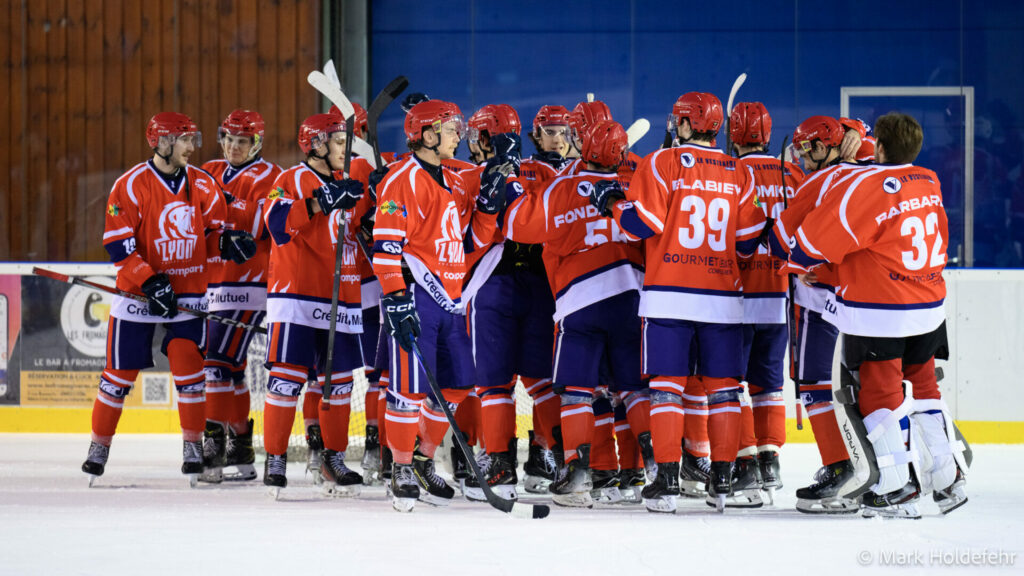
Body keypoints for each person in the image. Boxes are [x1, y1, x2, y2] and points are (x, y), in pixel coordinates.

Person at [780, 112, 969, 518]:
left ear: (879, 147)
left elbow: (815, 242)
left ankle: (898, 487)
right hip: (930, 304)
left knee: (879, 394)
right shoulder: (928, 179)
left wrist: (801, 264)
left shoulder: (869, 187)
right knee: (923, 388)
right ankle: (948, 477)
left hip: (883, 309)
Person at [589, 92, 765, 513]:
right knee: (723, 390)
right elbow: (746, 244)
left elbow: (637, 226)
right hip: (722, 298)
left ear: (684, 125)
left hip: (668, 296)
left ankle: (666, 481)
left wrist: (611, 202)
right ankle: (721, 481)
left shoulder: (662, 164)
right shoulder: (739, 172)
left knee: (667, 389)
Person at [82, 112, 247, 486]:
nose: (192, 147)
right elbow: (118, 246)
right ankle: (99, 446)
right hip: (138, 293)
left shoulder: (202, 183)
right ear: (161, 142)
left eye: (192, 139)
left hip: (188, 292)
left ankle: (192, 445)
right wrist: (151, 281)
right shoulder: (131, 185)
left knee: (190, 371)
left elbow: (208, 234)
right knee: (117, 377)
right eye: (184, 140)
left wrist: (224, 243)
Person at [505, 120, 650, 508]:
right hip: (631, 298)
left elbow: (518, 227)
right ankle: (652, 467)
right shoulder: (635, 184)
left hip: (578, 301)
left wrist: (510, 185)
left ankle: (579, 472)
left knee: (577, 391)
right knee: (634, 389)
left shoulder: (560, 186)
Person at [371, 99, 504, 512]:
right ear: (427, 135)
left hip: (451, 301)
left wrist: (489, 205)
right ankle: (402, 468)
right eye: (449, 129)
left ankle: (426, 459)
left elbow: (472, 243)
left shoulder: (455, 179)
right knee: (409, 390)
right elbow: (385, 250)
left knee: (460, 382)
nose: (457, 136)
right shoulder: (400, 180)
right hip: (415, 296)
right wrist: (394, 299)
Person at [765, 115, 873, 513]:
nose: (804, 156)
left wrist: (777, 239)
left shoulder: (817, 182)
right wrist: (856, 132)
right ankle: (886, 467)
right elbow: (885, 141)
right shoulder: (869, 170)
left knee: (812, 382)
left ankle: (840, 465)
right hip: (860, 298)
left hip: (816, 300)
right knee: (870, 384)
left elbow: (780, 245)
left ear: (826, 147)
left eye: (809, 148)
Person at [260, 112, 368, 497]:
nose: (346, 149)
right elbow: (275, 224)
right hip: (297, 297)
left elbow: (360, 236)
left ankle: (333, 457)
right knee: (286, 380)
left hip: (343, 298)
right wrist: (320, 201)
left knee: (338, 385)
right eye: (339, 142)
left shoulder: (351, 185)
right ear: (317, 146)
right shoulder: (289, 179)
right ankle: (275, 457)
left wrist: (367, 220)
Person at [460, 104, 563, 501]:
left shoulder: (470, 175)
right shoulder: (551, 173)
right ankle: (561, 459)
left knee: (494, 383)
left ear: (487, 137)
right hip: (544, 286)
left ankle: (500, 463)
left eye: (477, 134)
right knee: (543, 382)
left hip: (492, 285)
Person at [199, 109, 282, 483]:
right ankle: (243, 451)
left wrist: (223, 210)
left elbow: (257, 230)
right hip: (211, 285)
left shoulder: (273, 176)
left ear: (257, 143)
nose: (233, 147)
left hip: (248, 288)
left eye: (242, 141)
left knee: (215, 363)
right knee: (230, 369)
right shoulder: (207, 171)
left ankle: (213, 452)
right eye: (229, 139)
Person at [729, 102, 805, 503]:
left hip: (736, 294)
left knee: (733, 382)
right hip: (779, 296)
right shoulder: (791, 173)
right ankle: (770, 459)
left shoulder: (730, 172)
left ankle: (745, 464)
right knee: (769, 384)